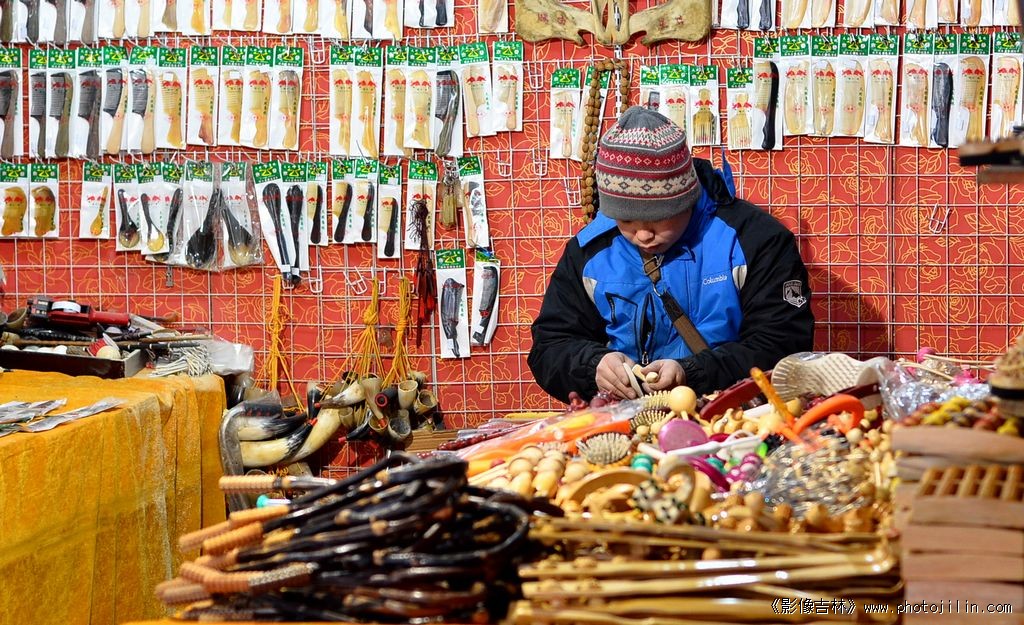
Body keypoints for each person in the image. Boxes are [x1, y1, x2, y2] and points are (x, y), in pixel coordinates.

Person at [528, 106, 814, 403]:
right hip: (623, 417)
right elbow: (550, 347)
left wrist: (691, 373)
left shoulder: (755, 240)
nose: (643, 235)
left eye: (658, 219)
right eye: (626, 220)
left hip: (734, 415)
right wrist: (593, 366)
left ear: (686, 199)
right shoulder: (590, 251)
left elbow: (784, 344)